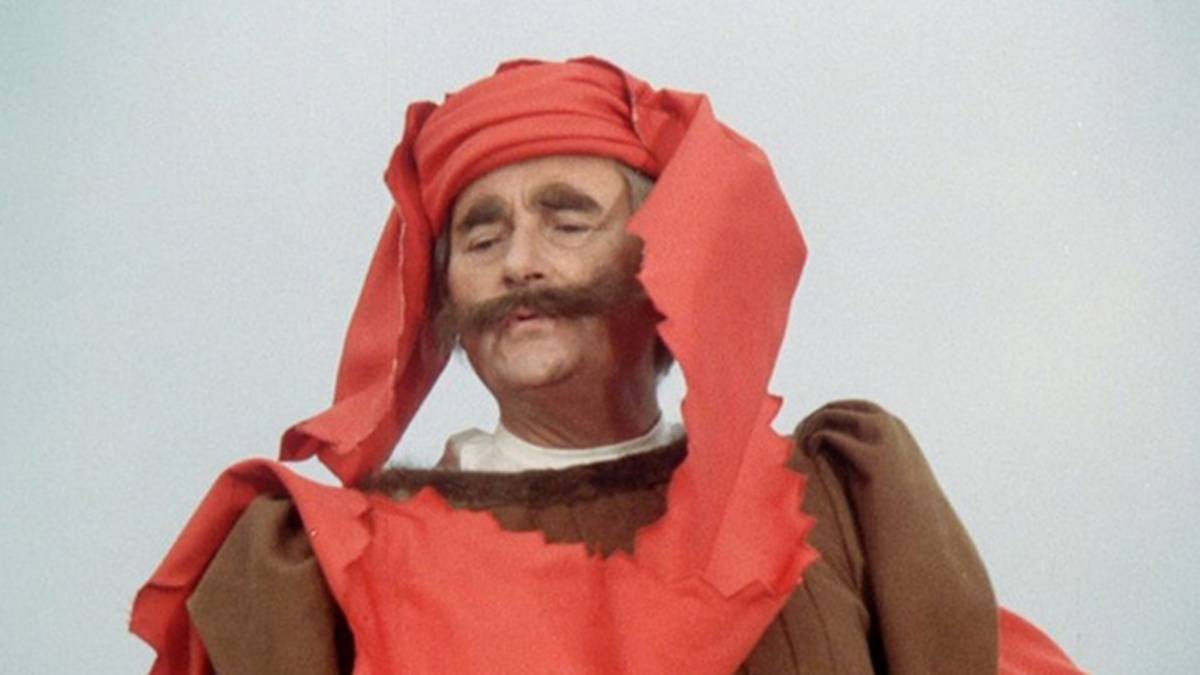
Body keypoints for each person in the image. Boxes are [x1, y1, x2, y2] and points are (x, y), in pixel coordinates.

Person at [132, 57, 1082, 674]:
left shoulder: (835, 501)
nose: (519, 261)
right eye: (481, 235)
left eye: (567, 219)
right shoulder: (330, 562)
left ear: (663, 259)